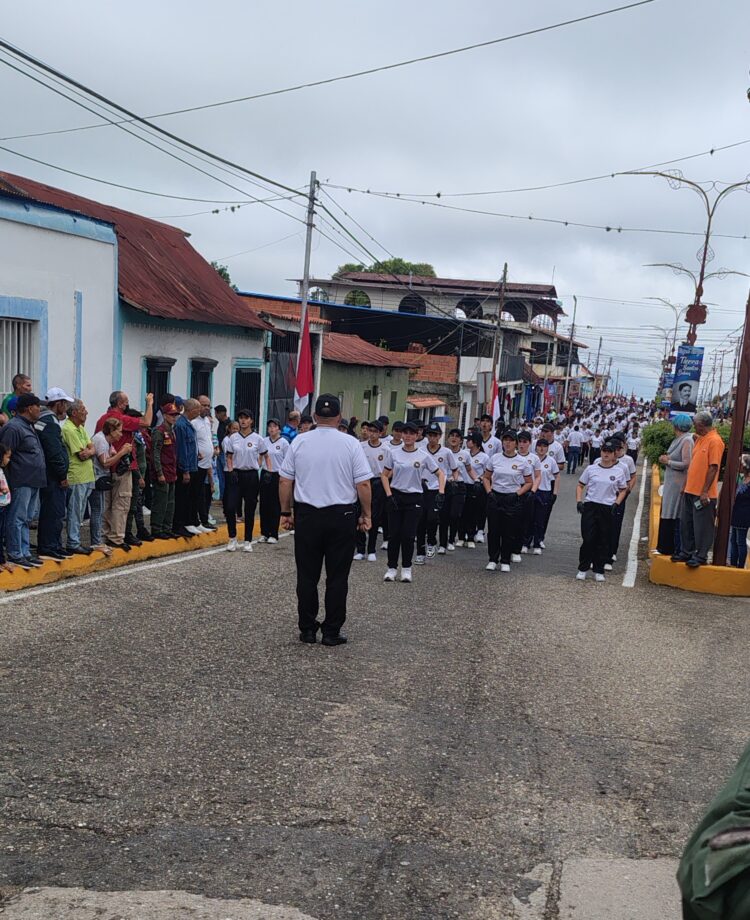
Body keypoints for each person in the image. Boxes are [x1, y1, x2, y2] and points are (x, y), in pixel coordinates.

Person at [279, 393, 372, 645]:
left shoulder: (299, 441)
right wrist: (366, 514)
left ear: (316, 416)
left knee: (307, 576)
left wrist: (286, 512)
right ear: (339, 417)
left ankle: (308, 629)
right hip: (341, 516)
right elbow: (363, 483)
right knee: (338, 577)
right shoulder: (351, 443)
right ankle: (331, 631)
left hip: (308, 515)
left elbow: (285, 480)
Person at [381, 420, 443, 583]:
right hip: (396, 496)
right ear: (401, 434)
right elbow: (384, 475)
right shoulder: (393, 453)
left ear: (417, 436)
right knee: (394, 535)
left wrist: (441, 492)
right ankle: (391, 568)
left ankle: (407, 569)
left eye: (411, 434)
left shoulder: (423, 456)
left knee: (408, 536)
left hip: (414, 498)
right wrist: (388, 495)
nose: (407, 436)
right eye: (405, 433)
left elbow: (440, 474)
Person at [95, 391, 154, 544]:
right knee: (122, 504)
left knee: (107, 505)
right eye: (126, 402)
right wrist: (150, 403)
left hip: (106, 469)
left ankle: (106, 534)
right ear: (121, 404)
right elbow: (147, 422)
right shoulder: (121, 419)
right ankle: (117, 537)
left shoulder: (102, 419)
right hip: (121, 467)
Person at [672, 410, 725, 568]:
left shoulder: (715, 441)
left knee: (703, 526)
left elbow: (713, 467)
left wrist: (704, 491)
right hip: (690, 490)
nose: (693, 426)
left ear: (702, 425)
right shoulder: (701, 438)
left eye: (695, 424)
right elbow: (694, 464)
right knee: (686, 523)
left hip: (703, 493)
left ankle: (701, 555)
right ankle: (686, 551)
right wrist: (685, 485)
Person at [0, 393, 47, 569]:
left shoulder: (29, 426)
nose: (40, 410)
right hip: (20, 480)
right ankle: (15, 553)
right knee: (17, 518)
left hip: (33, 480)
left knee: (27, 519)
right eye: (38, 406)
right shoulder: (13, 428)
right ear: (29, 408)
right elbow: (4, 454)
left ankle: (25, 552)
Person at [575, 440, 629, 581]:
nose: (606, 454)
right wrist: (579, 501)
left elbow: (623, 490)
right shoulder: (591, 469)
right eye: (604, 450)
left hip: (607, 507)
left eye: (609, 452)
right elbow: (580, 485)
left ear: (614, 454)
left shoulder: (618, 471)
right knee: (588, 538)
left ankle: (599, 569)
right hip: (591, 506)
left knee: (603, 539)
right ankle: (583, 568)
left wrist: (617, 503)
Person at [483, 429, 533, 573]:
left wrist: (518, 494)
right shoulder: (495, 458)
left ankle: (505, 559)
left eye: (511, 440)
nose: (508, 443)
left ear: (516, 443)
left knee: (509, 531)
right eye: (505, 440)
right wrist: (489, 491)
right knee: (493, 531)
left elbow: (529, 482)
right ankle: (493, 559)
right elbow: (486, 477)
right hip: (495, 496)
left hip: (512, 498)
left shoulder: (522, 462)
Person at [36, 388, 74, 561]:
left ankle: (52, 545)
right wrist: (62, 475)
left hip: (47, 474)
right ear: (58, 404)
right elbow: (54, 452)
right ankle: (50, 546)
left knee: (51, 511)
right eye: (64, 403)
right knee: (54, 512)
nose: (66, 407)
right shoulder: (50, 422)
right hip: (53, 477)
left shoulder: (41, 420)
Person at [224, 408, 268, 552]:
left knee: (249, 508)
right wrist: (230, 470)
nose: (243, 421)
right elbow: (229, 456)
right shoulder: (233, 438)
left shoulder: (258, 439)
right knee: (230, 507)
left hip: (251, 475)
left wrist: (262, 467)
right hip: (236, 474)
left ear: (251, 420)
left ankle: (247, 540)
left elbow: (264, 455)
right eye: (241, 418)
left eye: (246, 418)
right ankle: (232, 537)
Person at [92, 417, 134, 551]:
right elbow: (105, 463)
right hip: (96, 478)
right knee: (98, 511)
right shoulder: (101, 440)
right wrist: (122, 452)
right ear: (111, 430)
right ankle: (97, 539)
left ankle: (100, 538)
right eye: (119, 432)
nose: (121, 434)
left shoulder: (107, 442)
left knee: (103, 509)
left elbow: (111, 455)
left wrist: (119, 452)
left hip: (101, 478)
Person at [415, 422, 455, 563]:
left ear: (439, 436)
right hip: (422, 488)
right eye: (430, 435)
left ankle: (431, 541)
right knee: (420, 521)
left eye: (435, 435)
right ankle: (420, 552)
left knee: (432, 519)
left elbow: (454, 469)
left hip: (437, 489)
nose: (432, 438)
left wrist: (450, 482)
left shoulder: (446, 452)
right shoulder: (420, 450)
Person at [61, 399, 96, 556]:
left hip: (86, 476)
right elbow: (82, 455)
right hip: (76, 476)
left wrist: (89, 451)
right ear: (74, 412)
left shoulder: (80, 428)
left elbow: (92, 447)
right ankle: (73, 542)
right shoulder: (69, 429)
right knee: (75, 511)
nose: (86, 412)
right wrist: (89, 452)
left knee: (81, 511)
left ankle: (75, 541)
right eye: (83, 409)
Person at [656, 414, 694, 556]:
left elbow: (687, 463)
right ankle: (663, 546)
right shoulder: (679, 439)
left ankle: (670, 547)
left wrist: (669, 462)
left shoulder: (687, 441)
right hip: (672, 482)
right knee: (667, 511)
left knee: (673, 513)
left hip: (678, 483)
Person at [354, 421, 388, 562]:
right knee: (360, 514)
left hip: (377, 482)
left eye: (375, 431)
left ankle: (372, 549)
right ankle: (360, 549)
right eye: (370, 430)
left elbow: (390, 469)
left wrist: (384, 479)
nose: (372, 433)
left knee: (374, 516)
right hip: (362, 481)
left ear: (380, 433)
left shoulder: (386, 450)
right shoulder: (360, 447)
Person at [149, 403, 180, 540]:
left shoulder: (172, 431)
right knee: (161, 501)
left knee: (170, 502)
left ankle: (167, 527)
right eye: (171, 415)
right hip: (162, 471)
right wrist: (159, 473)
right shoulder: (159, 431)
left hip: (171, 470)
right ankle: (157, 528)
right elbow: (155, 453)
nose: (174, 417)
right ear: (165, 415)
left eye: (175, 415)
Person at [173, 398, 201, 537]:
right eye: (198, 409)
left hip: (192, 465)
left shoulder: (188, 424)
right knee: (182, 498)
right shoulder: (181, 425)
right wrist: (185, 470)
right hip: (185, 468)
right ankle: (179, 524)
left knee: (189, 497)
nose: (200, 412)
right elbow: (182, 450)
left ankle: (186, 523)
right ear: (192, 410)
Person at [456, 430, 489, 549]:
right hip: (462, 485)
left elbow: (487, 473)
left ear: (475, 442)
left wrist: (479, 479)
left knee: (473, 512)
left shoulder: (484, 457)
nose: (467, 442)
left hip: (475, 486)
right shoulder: (464, 453)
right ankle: (460, 536)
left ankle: (471, 536)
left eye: (469, 440)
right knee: (462, 512)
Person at [259, 417, 289, 543]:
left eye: (274, 426)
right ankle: (264, 532)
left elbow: (287, 461)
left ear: (279, 429)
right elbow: (260, 457)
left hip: (278, 474)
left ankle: (273, 533)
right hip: (266, 474)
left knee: (274, 504)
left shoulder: (284, 443)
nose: (271, 429)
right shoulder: (264, 441)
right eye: (270, 426)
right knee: (264, 504)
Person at [192, 395, 217, 533]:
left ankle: (204, 519)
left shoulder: (207, 421)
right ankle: (196, 520)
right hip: (197, 464)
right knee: (196, 494)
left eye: (208, 405)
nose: (207, 408)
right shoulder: (193, 422)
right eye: (204, 405)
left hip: (207, 464)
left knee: (205, 494)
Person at [530, 439, 560, 552]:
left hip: (545, 491)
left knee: (540, 519)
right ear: (536, 447)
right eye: (539, 446)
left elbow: (557, 476)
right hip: (532, 490)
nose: (541, 448)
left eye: (544, 446)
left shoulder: (551, 461)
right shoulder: (532, 458)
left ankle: (538, 542)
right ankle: (526, 542)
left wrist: (555, 493)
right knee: (529, 518)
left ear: (547, 448)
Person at [729, 454, 750, 569]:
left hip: (744, 514)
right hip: (737, 512)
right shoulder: (742, 479)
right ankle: (733, 563)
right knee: (734, 540)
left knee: (740, 541)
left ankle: (740, 565)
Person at [0, 445, 12, 571]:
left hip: (3, 506)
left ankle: (2, 560)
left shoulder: (2, 471)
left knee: (1, 534)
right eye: (7, 457)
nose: (9, 460)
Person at [214, 404, 229, 499]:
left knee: (226, 476)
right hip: (220, 452)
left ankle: (226, 497)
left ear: (221, 413)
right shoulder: (220, 423)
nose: (215, 416)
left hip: (226, 454)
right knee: (220, 476)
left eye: (216, 414)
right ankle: (222, 497)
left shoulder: (229, 424)